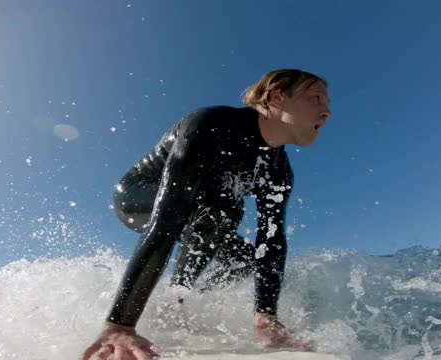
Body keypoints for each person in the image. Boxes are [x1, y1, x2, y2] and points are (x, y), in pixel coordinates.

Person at [81, 69, 332, 360]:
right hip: (139, 195)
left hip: (201, 209)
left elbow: (271, 242)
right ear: (277, 96)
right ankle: (171, 303)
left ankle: (184, 302)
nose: (327, 112)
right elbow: (168, 217)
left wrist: (266, 317)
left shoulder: (278, 171)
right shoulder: (210, 124)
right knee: (224, 209)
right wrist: (119, 325)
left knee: (247, 263)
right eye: (316, 99)